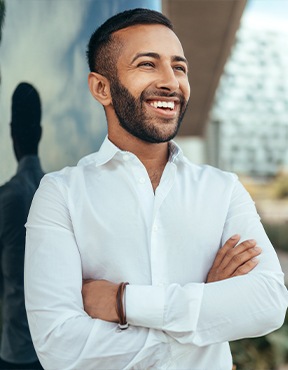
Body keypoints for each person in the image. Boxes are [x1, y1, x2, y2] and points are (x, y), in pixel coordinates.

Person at [24, 8, 288, 370]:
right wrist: (206, 310)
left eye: (179, 67)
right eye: (148, 64)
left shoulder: (223, 190)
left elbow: (268, 303)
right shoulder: (60, 195)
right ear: (102, 88)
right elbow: (60, 347)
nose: (170, 81)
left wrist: (123, 303)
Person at [0, 82, 44, 369]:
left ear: (11, 133)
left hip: (16, 353)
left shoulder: (7, 198)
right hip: (51, 350)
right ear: (40, 134)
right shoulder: (56, 192)